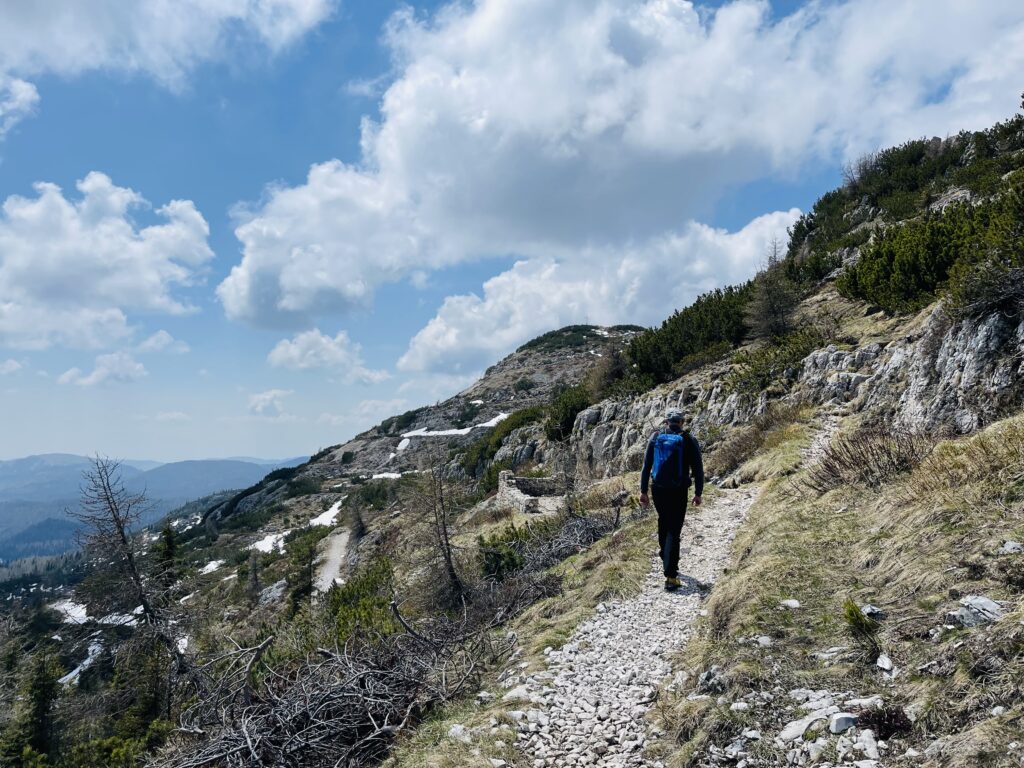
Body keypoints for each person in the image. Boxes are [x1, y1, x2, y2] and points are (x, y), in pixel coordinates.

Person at [639, 409, 704, 590]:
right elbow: (698, 469)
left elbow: (646, 467)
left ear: (666, 421)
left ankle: (665, 554)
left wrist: (643, 491)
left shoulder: (656, 437)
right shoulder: (688, 440)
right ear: (682, 422)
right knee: (674, 530)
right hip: (679, 490)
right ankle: (671, 575)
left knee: (663, 522)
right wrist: (698, 492)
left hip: (658, 488)